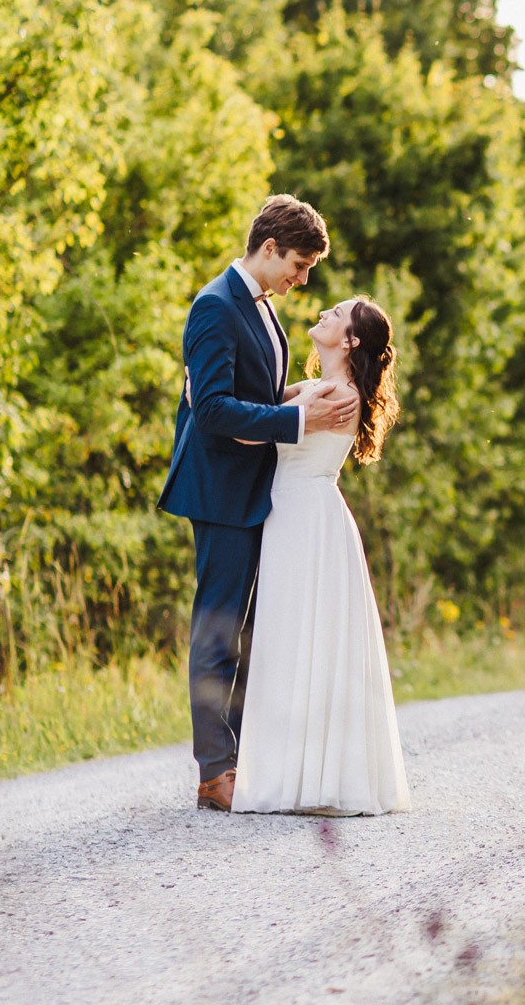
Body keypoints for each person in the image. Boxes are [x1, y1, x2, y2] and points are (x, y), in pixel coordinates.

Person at [157, 195, 358, 812]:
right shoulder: (214, 306)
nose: (302, 280)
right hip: (219, 492)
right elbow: (214, 410)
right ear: (269, 249)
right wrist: (300, 420)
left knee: (249, 631)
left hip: (256, 489)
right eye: (299, 265)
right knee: (218, 630)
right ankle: (214, 772)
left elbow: (261, 393)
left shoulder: (263, 309)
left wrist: (312, 396)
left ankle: (244, 759)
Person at [230, 296, 411, 816]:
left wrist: (206, 401)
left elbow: (252, 426)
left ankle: (309, 778)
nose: (325, 315)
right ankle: (296, 773)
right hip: (294, 514)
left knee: (300, 636)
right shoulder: (318, 388)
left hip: (306, 517)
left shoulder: (338, 397)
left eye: (337, 314)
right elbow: (263, 403)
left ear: (350, 341)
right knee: (293, 638)